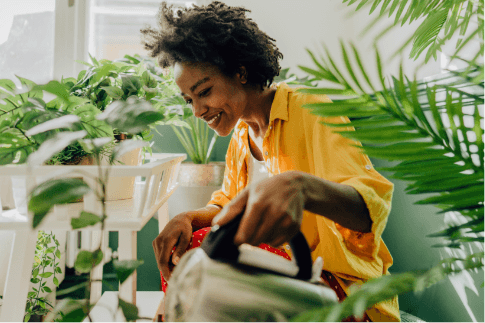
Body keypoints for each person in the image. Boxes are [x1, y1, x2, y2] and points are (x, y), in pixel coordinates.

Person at [141, 1, 399, 322]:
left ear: (240, 72)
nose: (197, 111)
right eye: (189, 100)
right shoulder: (242, 136)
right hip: (284, 278)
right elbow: (228, 206)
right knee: (188, 248)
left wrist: (300, 188)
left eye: (204, 91)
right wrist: (188, 218)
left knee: (203, 252)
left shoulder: (310, 109)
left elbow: (369, 211)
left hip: (340, 292)